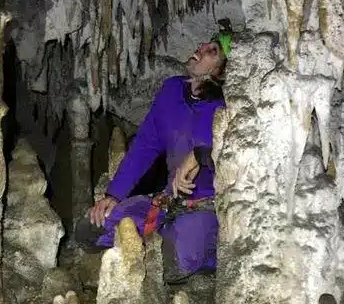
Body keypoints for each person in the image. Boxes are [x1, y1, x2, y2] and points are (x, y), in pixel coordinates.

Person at [76, 27, 232, 284]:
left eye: (212, 51)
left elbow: (216, 138)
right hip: (167, 200)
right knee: (91, 228)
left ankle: (205, 251)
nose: (201, 47)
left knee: (177, 260)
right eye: (205, 43)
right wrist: (114, 195)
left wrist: (198, 154)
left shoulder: (225, 103)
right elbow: (145, 145)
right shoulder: (171, 91)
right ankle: (155, 234)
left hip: (205, 205)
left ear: (221, 70)